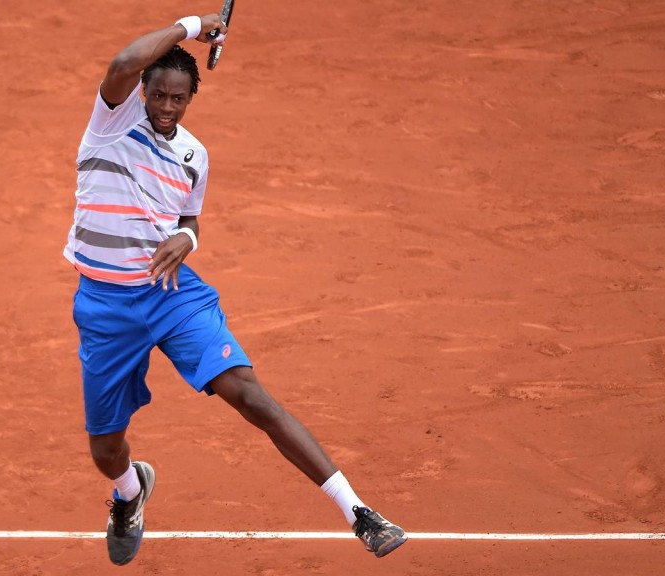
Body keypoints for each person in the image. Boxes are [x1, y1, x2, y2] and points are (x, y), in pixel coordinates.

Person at [63, 10, 407, 566]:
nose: (167, 107)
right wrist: (192, 24)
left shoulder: (194, 155)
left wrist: (186, 241)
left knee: (249, 394)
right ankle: (129, 492)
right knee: (105, 449)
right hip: (104, 304)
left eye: (179, 99)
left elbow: (190, 221)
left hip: (171, 293)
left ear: (189, 100)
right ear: (142, 93)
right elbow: (124, 61)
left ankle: (358, 512)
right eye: (159, 95)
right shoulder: (112, 122)